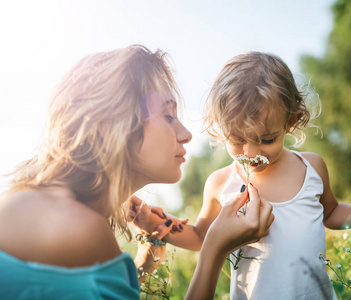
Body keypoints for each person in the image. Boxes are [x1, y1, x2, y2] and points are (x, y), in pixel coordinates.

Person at [0, 45, 274, 300]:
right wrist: (215, 248)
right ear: (109, 124)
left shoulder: (32, 204)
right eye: (168, 116)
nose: (187, 134)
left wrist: (143, 265)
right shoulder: (80, 229)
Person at [153, 52, 351, 299]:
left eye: (267, 139)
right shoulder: (220, 184)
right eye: (238, 139)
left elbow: (331, 214)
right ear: (221, 126)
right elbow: (202, 238)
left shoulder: (311, 168)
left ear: (291, 121)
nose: (251, 152)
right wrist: (159, 224)